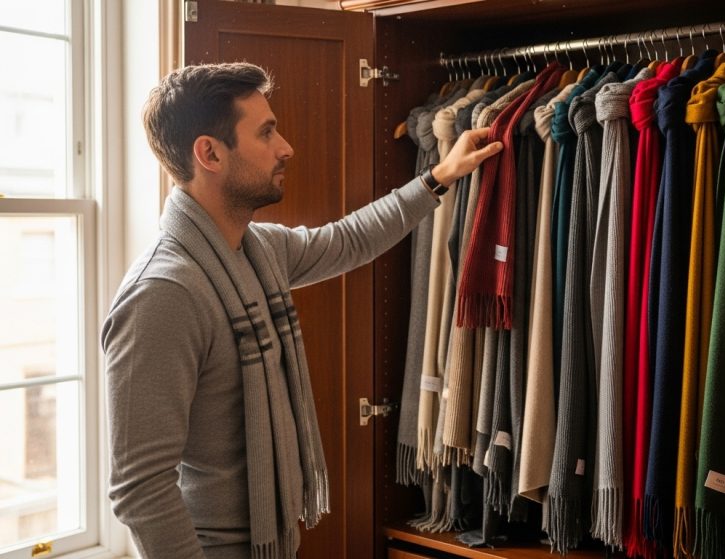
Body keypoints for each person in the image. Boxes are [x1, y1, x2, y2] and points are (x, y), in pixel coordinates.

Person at [101, 62, 501, 559]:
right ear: (209, 153)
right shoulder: (161, 295)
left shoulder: (258, 252)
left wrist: (439, 176)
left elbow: (348, 239)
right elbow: (139, 487)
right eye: (265, 132)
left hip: (272, 542)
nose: (285, 146)